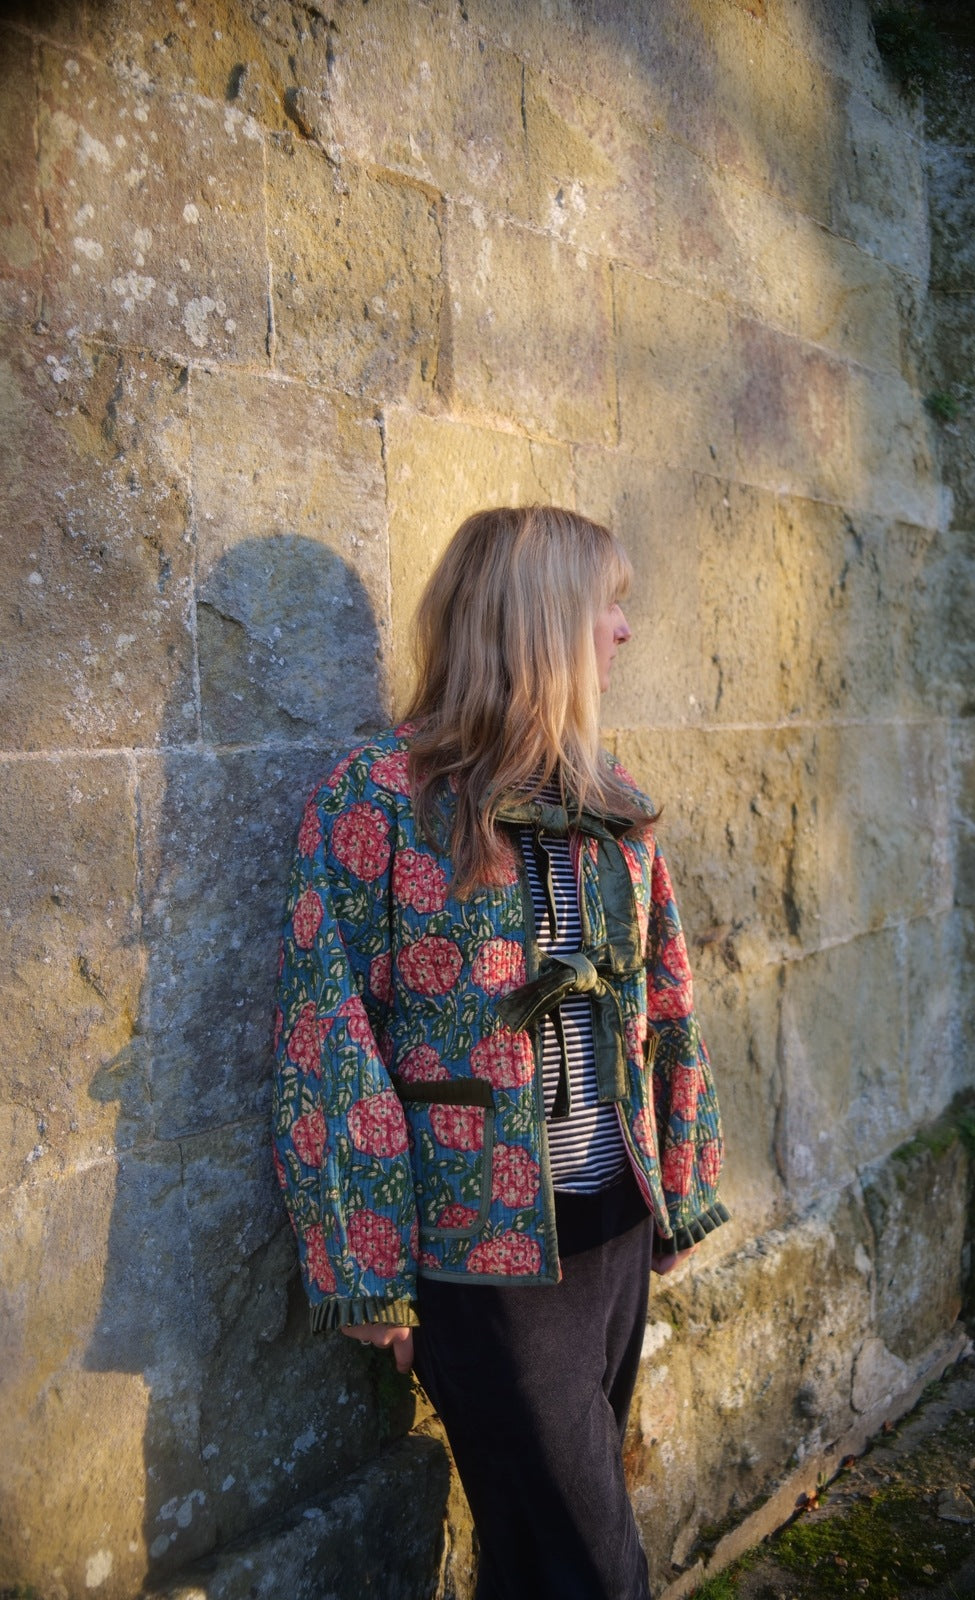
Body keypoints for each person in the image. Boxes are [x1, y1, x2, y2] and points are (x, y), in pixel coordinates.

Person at [271, 505, 728, 1600]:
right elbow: (326, 1039)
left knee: (535, 1555)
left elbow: (662, 998)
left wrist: (676, 1174)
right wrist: (366, 1259)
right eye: (605, 605)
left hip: (610, 1224)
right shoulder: (379, 799)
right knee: (594, 1565)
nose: (623, 631)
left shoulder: (608, 802)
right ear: (538, 620)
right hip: (481, 1255)